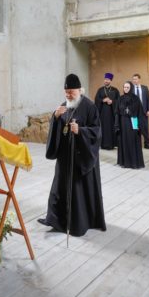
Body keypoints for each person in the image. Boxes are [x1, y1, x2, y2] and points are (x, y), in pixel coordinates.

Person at [38, 73, 106, 237]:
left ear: (79, 91)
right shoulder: (63, 106)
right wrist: (55, 118)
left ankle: (79, 223)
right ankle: (56, 220)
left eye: (71, 92)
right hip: (65, 158)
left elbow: (97, 132)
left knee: (78, 191)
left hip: (82, 158)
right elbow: (58, 131)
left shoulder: (90, 106)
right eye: (66, 92)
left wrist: (80, 131)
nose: (68, 95)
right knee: (59, 188)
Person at [114, 81, 145, 169]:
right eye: (124, 87)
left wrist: (130, 111)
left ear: (131, 88)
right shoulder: (120, 98)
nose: (126, 89)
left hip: (133, 122)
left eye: (127, 87)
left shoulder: (136, 98)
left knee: (132, 141)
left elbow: (139, 112)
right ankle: (124, 162)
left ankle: (134, 163)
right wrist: (117, 125)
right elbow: (117, 112)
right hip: (123, 123)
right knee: (124, 142)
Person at [94, 72, 119, 150]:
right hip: (103, 114)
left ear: (110, 80)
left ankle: (111, 145)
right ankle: (103, 144)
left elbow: (119, 101)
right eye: (105, 79)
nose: (106, 81)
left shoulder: (115, 90)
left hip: (112, 113)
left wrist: (112, 102)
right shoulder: (100, 90)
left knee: (111, 128)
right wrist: (102, 100)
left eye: (107, 79)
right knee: (103, 128)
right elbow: (96, 100)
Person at [131, 73, 149, 148]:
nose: (134, 80)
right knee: (135, 128)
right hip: (134, 113)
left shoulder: (145, 88)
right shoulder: (131, 88)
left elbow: (148, 99)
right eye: (133, 79)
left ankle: (146, 144)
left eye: (136, 79)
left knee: (145, 128)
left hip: (143, 112)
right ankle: (136, 145)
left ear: (139, 79)